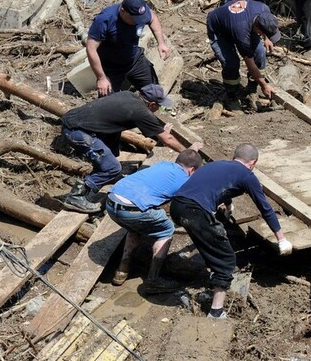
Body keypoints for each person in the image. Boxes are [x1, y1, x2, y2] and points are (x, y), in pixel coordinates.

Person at [170, 143, 293, 319]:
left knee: (209, 245)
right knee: (226, 259)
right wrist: (281, 239)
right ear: (253, 162)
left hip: (177, 206)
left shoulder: (218, 164)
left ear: (235, 157)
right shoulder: (247, 175)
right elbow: (265, 208)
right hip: (196, 211)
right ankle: (216, 312)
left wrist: (228, 205)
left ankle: (211, 283)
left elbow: (219, 185)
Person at [61, 84, 199, 214]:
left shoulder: (129, 96)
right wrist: (188, 152)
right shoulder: (141, 112)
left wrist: (158, 131)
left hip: (78, 122)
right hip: (77, 131)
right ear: (152, 104)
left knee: (109, 157)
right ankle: (75, 197)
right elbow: (167, 139)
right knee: (112, 168)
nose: (158, 110)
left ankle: (104, 175)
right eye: (159, 106)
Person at [105, 149, 203, 294]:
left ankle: (122, 270)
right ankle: (153, 281)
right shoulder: (186, 180)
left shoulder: (163, 164)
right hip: (132, 209)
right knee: (166, 230)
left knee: (134, 229)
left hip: (111, 200)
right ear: (192, 170)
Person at [86, 0, 171, 97]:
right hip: (111, 68)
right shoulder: (105, 19)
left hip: (135, 60)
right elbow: (91, 49)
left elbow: (153, 18)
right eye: (135, 19)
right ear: (122, 11)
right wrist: (101, 78)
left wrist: (161, 43)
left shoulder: (141, 11)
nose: (139, 22)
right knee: (108, 103)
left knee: (156, 95)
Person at [206, 0, 282, 101]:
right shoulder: (242, 33)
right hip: (219, 29)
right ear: (259, 31)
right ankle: (232, 94)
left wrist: (267, 38)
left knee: (260, 54)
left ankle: (252, 89)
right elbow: (250, 63)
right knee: (231, 63)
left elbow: (266, 26)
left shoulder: (264, 9)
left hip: (239, 22)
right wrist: (264, 85)